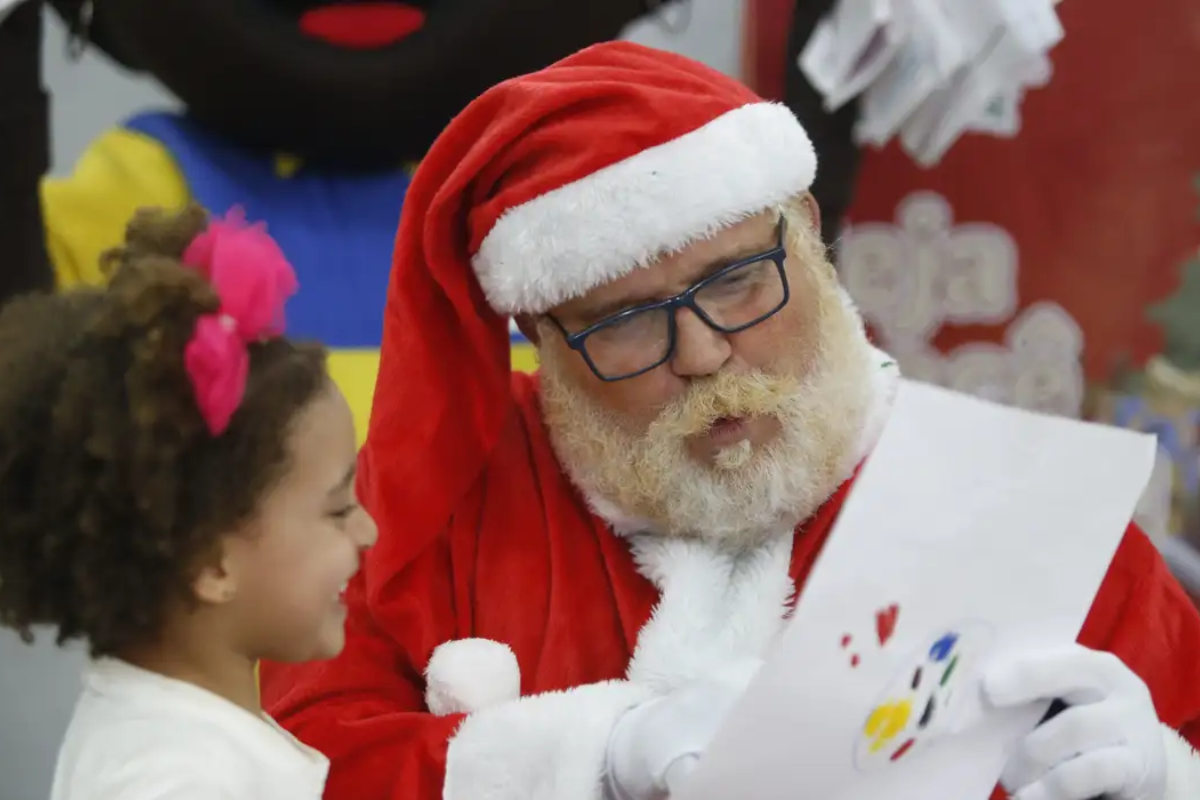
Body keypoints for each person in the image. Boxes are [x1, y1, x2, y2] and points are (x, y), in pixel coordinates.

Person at [260, 41, 1200, 800]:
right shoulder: (441, 504)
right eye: (626, 324)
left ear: (805, 230)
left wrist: (1166, 776)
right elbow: (273, 761)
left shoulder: (1005, 503)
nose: (704, 353)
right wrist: (587, 758)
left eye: (740, 281)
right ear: (541, 336)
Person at [0, 205, 377, 799]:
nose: (369, 531)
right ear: (210, 561)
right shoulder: (178, 782)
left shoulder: (180, 730)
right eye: (336, 511)